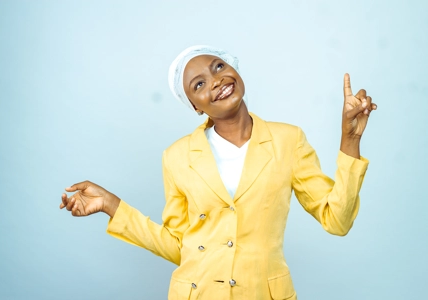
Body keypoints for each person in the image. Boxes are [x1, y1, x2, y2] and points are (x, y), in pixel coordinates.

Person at [60, 45, 377, 299]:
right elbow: (179, 246)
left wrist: (350, 139)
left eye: (218, 67)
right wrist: (112, 206)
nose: (215, 81)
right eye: (199, 84)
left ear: (234, 69)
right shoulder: (177, 156)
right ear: (195, 105)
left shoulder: (288, 140)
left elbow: (338, 221)